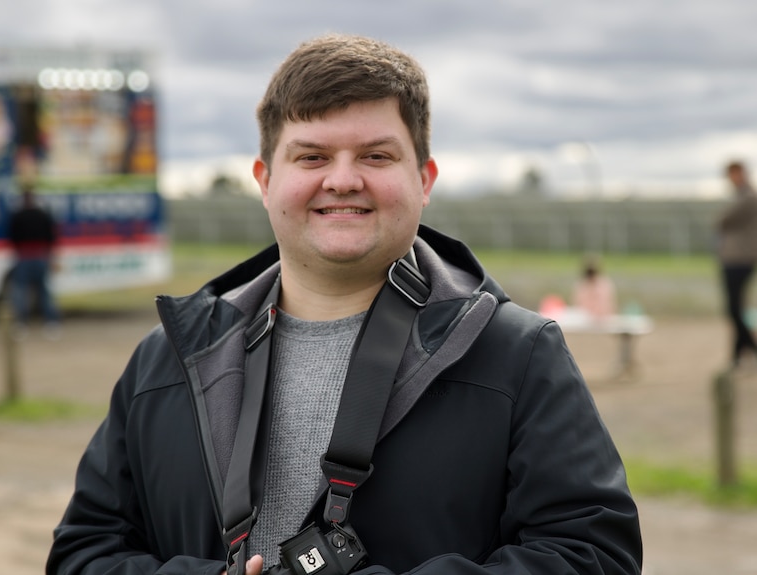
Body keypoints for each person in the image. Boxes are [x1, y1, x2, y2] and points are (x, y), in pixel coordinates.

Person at [47, 34, 642, 575]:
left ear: (425, 180)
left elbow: (594, 554)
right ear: (264, 180)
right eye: (311, 157)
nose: (342, 179)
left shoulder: (517, 353)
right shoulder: (168, 359)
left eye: (376, 156)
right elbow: (83, 553)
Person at [715, 160, 757, 369]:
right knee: (735, 308)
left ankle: (749, 348)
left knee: (734, 308)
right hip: (733, 259)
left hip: (739, 260)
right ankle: (738, 354)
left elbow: (723, 220)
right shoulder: (741, 196)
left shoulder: (748, 196)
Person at [8, 183, 60, 336]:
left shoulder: (17, 215)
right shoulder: (43, 214)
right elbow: (51, 237)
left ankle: (21, 324)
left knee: (21, 292)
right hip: (41, 256)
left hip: (24, 257)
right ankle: (51, 323)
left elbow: (13, 237)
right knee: (44, 292)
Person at [572, 255, 617, 320]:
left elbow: (609, 307)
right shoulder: (581, 285)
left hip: (603, 320)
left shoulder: (604, 285)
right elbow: (577, 305)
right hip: (585, 319)